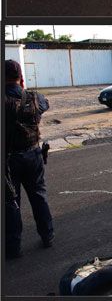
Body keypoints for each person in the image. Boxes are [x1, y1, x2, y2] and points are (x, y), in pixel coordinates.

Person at [5, 59, 54, 257]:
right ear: (21, 78)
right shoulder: (35, 98)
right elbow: (45, 104)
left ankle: (13, 248)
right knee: (39, 197)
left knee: (10, 203)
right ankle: (47, 236)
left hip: (9, 160)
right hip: (33, 155)